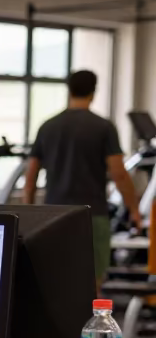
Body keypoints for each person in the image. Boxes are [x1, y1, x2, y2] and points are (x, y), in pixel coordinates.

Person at [24, 69, 142, 291]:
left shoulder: (47, 126)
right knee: (91, 286)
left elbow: (30, 178)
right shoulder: (103, 127)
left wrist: (28, 215)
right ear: (93, 92)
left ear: (69, 90)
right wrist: (134, 210)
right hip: (91, 217)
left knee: (55, 283)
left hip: (53, 217)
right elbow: (118, 173)